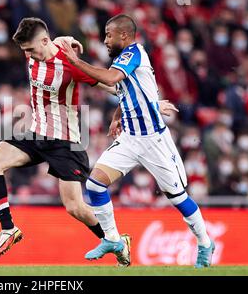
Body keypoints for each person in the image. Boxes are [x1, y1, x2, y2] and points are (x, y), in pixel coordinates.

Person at [0, 17, 178, 265]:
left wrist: (153, 104)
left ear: (43, 41)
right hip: (36, 133)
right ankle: (8, 229)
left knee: (75, 207)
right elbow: (47, 41)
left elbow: (115, 89)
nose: (29, 55)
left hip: (66, 142)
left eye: (31, 49)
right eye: (25, 51)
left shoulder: (70, 64)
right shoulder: (36, 50)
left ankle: (116, 241)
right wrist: (61, 40)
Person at [60, 14, 215, 268]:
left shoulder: (133, 53)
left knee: (177, 197)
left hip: (154, 140)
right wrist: (116, 117)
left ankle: (205, 242)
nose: (105, 40)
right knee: (95, 185)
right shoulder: (125, 60)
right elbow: (126, 92)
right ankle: (113, 239)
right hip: (131, 138)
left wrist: (76, 61)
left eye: (109, 35)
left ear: (124, 35)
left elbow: (110, 79)